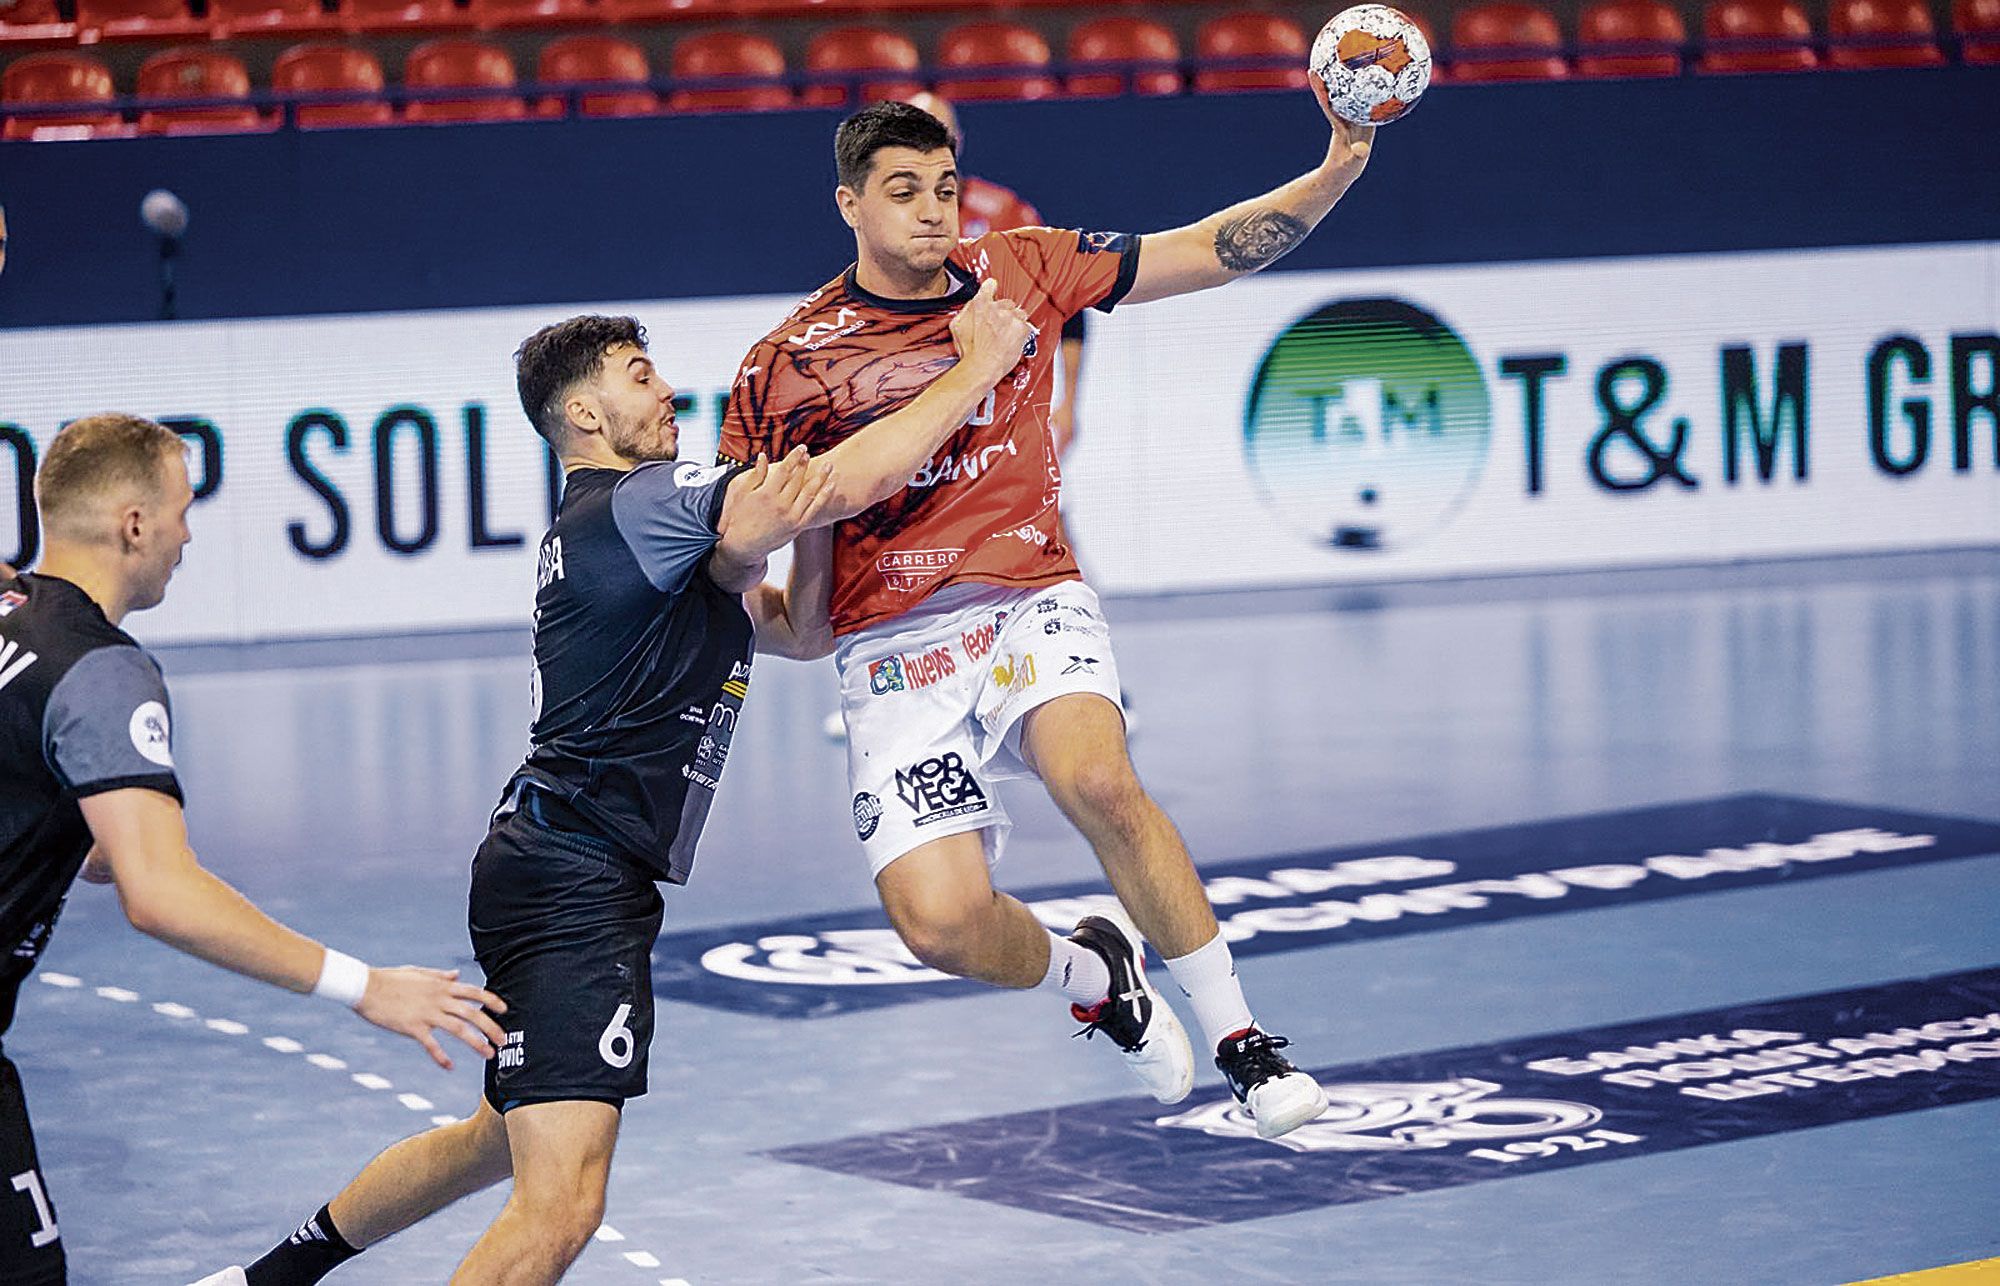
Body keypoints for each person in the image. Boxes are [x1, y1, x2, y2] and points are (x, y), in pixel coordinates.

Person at [204, 297, 1031, 1285]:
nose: (665, 387)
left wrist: (801, 524)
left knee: (495, 1138)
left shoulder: (636, 534)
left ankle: (267, 1277)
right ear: (583, 416)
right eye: (639, 375)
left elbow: (804, 628)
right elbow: (832, 484)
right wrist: (971, 371)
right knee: (560, 1205)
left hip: (555, 863)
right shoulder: (639, 500)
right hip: (574, 878)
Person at [719, 95, 1376, 1139]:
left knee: (1097, 777)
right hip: (892, 646)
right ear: (848, 204)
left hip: (1030, 596)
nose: (932, 212)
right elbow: (756, 544)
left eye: (943, 188)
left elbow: (1208, 248)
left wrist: (1338, 161)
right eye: (902, 192)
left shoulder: (1021, 265)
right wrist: (743, 601)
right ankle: (1094, 968)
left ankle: (1241, 1041)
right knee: (940, 924)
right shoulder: (787, 362)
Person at [0, 413, 508, 1285]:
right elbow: (156, 891)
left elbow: (86, 843)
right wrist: (364, 985)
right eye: (182, 511)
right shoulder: (101, 670)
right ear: (133, 524)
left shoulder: (11, 611)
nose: (188, 535)